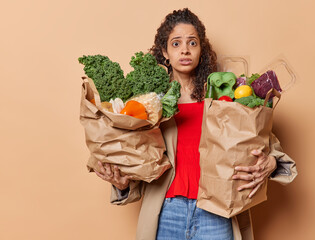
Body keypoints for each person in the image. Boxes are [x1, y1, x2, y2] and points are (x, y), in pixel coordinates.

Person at [94, 8, 297, 240]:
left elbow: (260, 137)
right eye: (176, 43)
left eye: (192, 43)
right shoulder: (148, 101)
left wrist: (271, 162)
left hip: (216, 210)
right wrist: (122, 184)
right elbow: (138, 156)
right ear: (164, 52)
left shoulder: (224, 94)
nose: (185, 50)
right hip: (166, 211)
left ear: (202, 50)